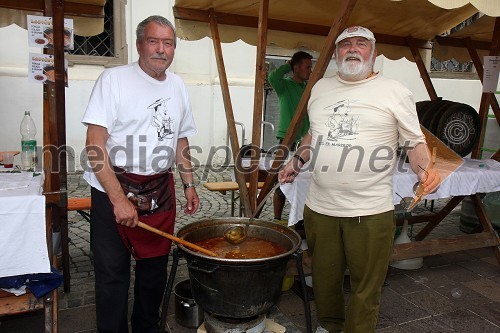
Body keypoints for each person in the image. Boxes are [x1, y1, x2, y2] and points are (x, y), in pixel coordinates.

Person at [279, 26, 440, 333]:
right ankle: (330, 327)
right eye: (346, 45)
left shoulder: (394, 90)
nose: (352, 49)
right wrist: (296, 161)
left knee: (367, 286)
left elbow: (414, 141)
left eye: (361, 44)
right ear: (337, 54)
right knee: (324, 281)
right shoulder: (321, 88)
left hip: (370, 211)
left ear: (373, 53)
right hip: (321, 208)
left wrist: (424, 169)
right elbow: (312, 135)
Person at [82, 15, 199, 332]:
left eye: (168, 43)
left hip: (158, 190)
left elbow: (181, 138)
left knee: (154, 270)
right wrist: (118, 200)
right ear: (138, 45)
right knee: (112, 273)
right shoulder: (113, 79)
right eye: (153, 41)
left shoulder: (178, 86)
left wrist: (188, 184)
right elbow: (94, 144)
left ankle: (147, 327)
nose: (161, 49)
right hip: (112, 189)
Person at [268, 51, 312, 222]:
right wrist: (288, 64)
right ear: (296, 68)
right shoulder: (284, 85)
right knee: (282, 181)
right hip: (287, 140)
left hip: (306, 143)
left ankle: (302, 219)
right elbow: (273, 76)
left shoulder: (308, 88)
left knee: (306, 180)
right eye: (307, 67)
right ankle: (277, 220)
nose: (310, 70)